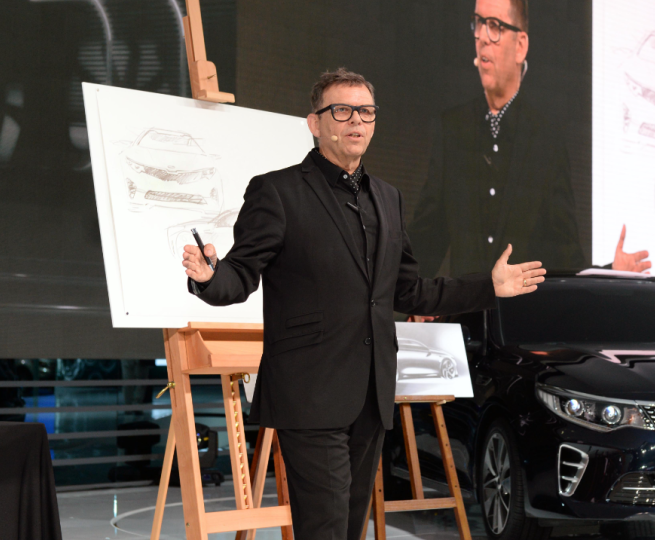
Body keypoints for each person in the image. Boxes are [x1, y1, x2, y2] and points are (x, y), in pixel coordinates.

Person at [181, 68, 546, 540]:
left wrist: (487, 287)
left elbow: (409, 291)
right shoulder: (278, 192)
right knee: (326, 529)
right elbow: (241, 274)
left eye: (366, 112)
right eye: (343, 110)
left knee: (350, 527)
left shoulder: (388, 199)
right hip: (309, 394)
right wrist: (210, 277)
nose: (357, 120)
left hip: (370, 396)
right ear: (315, 123)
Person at [409, 0, 651, 279]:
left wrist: (611, 272)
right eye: (478, 23)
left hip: (524, 312)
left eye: (494, 26)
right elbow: (423, 247)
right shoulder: (452, 130)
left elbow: (565, 260)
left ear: (520, 45)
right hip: (466, 312)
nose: (482, 37)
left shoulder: (546, 143)